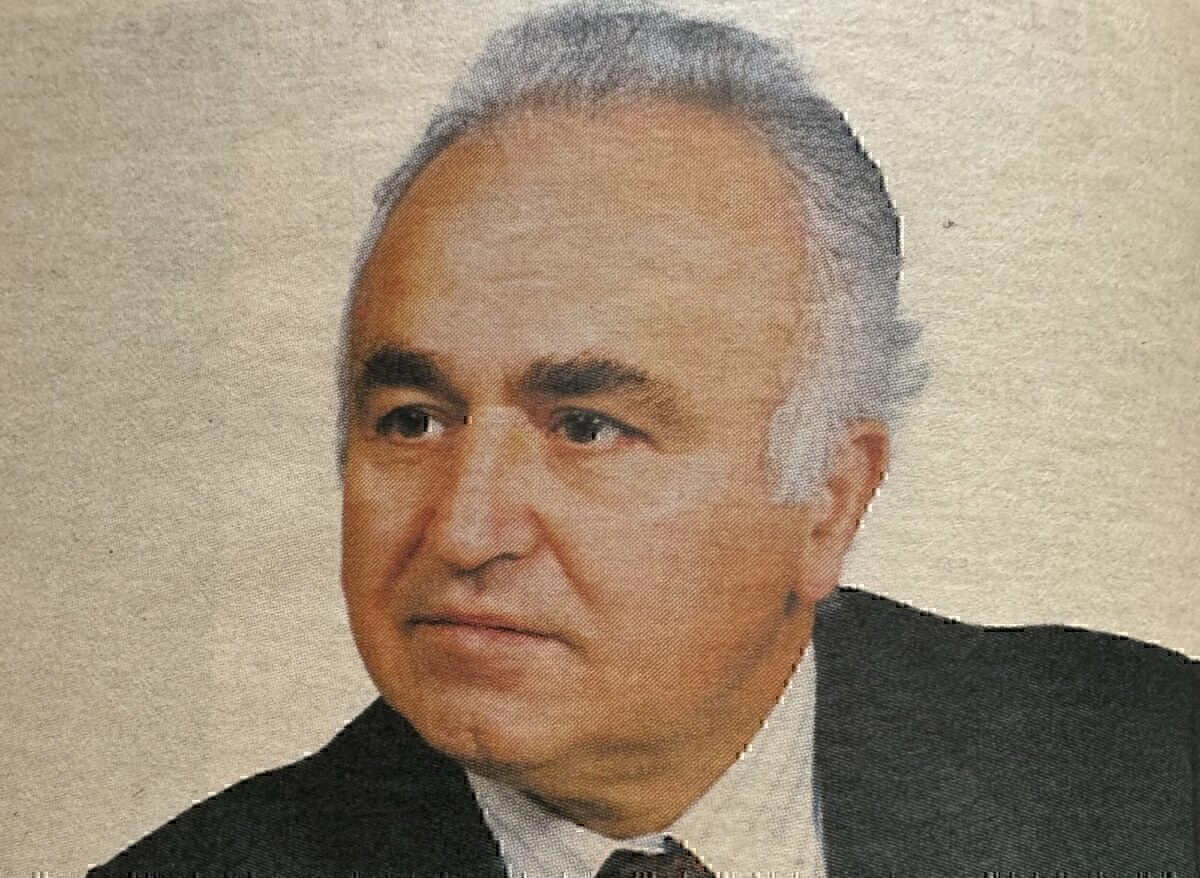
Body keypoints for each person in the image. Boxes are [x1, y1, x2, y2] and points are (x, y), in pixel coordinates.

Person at [89, 2, 1198, 876]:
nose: (465, 529)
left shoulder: (1149, 763)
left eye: (586, 427)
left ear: (830, 500)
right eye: (413, 419)